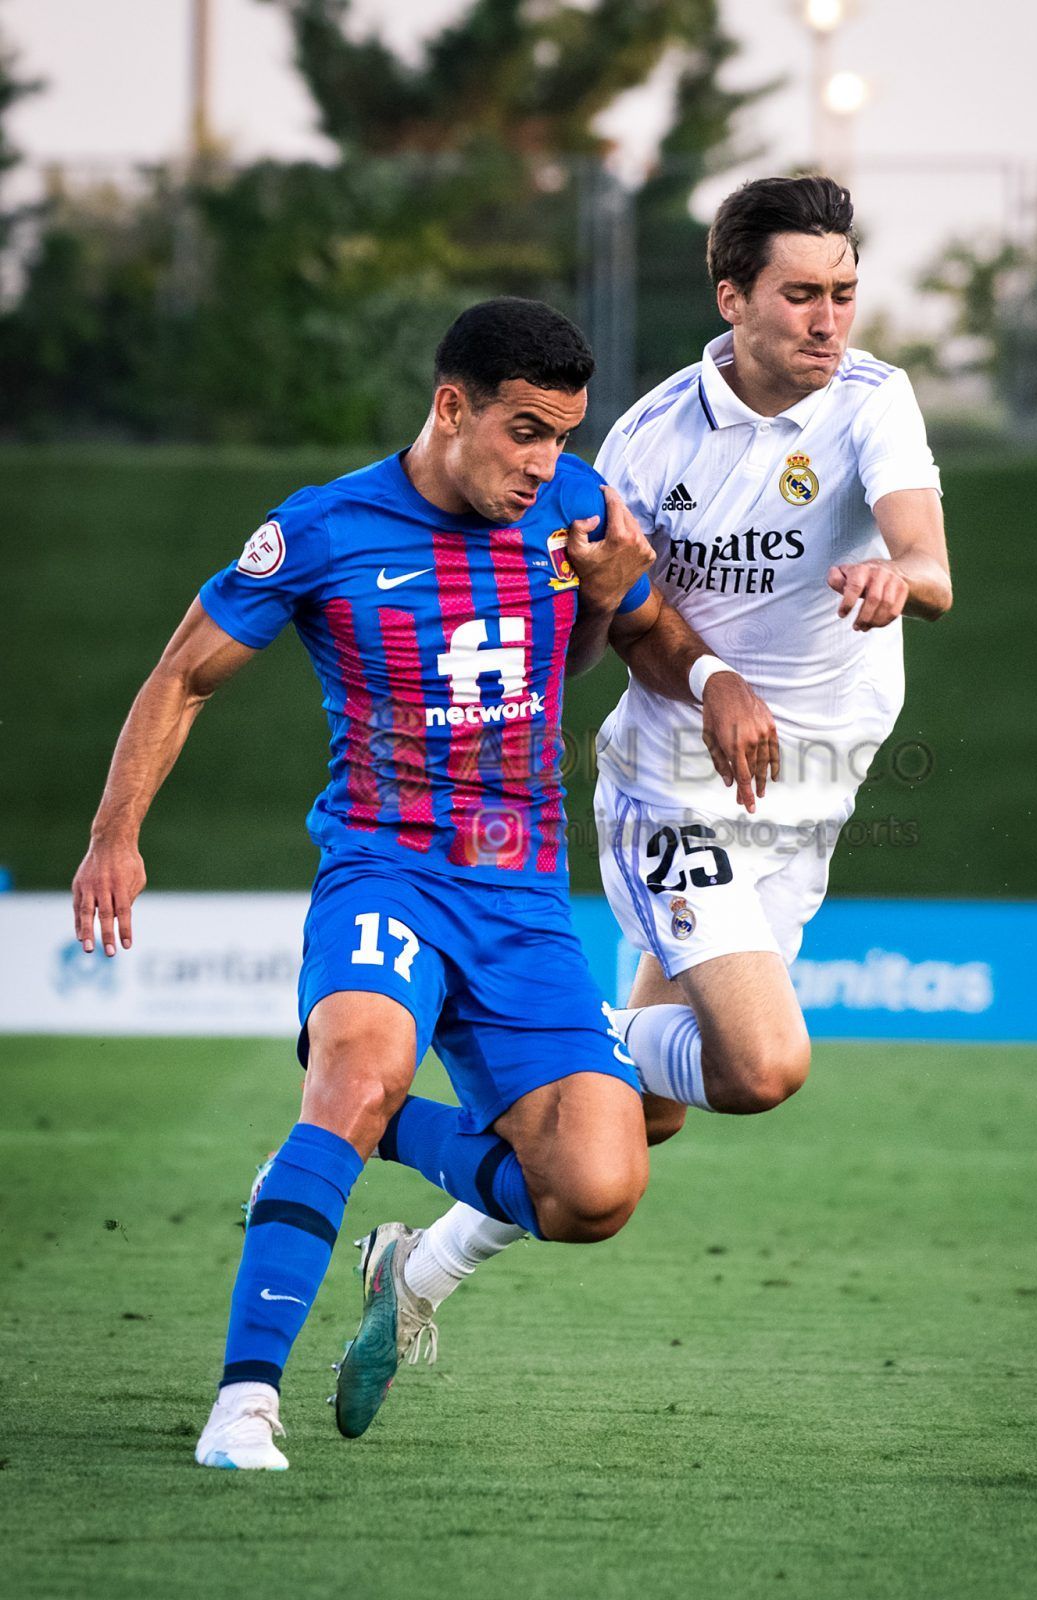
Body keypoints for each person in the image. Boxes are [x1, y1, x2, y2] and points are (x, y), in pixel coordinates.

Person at [72, 296, 776, 1470]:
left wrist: (698, 669)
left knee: (594, 1191)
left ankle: (371, 1142)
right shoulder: (324, 529)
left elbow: (640, 631)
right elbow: (183, 676)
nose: (542, 462)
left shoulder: (574, 506)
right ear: (451, 408)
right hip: (384, 871)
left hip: (520, 900)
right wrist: (114, 833)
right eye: (523, 431)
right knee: (356, 1070)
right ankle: (243, 1402)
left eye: (560, 435)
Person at [363, 175, 952, 1415]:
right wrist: (671, 644)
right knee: (759, 1066)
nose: (828, 320)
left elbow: (929, 564)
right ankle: (537, 1035)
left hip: (810, 799)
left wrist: (895, 577)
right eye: (800, 294)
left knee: (644, 1120)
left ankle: (415, 1266)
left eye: (844, 293)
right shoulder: (644, 442)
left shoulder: (872, 401)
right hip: (675, 785)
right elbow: (608, 633)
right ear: (731, 297)